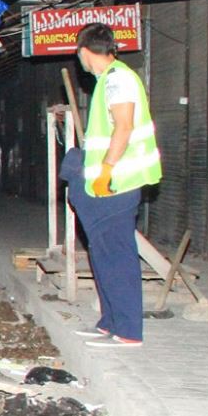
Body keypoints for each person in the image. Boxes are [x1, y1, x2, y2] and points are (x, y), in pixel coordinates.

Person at [66, 21, 161, 348]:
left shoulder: (118, 80)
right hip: (103, 188)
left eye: (79, 54)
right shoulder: (108, 79)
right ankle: (110, 322)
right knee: (103, 254)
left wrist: (106, 169)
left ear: (84, 52)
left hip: (116, 185)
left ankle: (129, 331)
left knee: (117, 256)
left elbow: (123, 127)